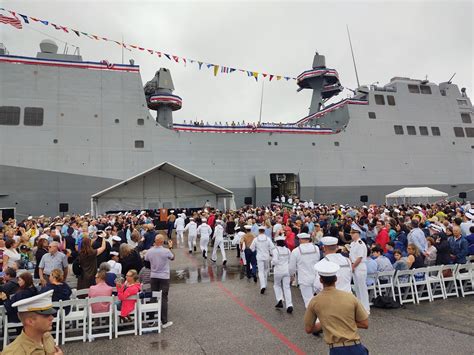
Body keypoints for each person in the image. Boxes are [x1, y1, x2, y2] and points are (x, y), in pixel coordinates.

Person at [304, 260, 369, 355]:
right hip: (356, 347)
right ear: (336, 279)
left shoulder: (315, 301)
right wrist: (345, 322)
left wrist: (327, 323)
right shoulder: (350, 297)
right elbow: (365, 323)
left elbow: (308, 329)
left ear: (321, 280)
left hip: (337, 349)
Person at [2, 290, 63, 355]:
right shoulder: (14, 352)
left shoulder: (47, 336)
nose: (52, 318)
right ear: (30, 321)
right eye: (46, 315)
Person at [144, 234, 175, 329]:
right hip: (164, 276)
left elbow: (146, 261)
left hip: (154, 275)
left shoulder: (149, 251)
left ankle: (151, 319)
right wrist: (171, 247)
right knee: (163, 297)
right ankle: (164, 321)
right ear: (162, 242)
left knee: (154, 296)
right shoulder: (166, 251)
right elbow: (172, 257)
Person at [289, 232, 320, 307]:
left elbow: (291, 267)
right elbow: (318, 260)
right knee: (319, 301)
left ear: (300, 240)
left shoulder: (296, 251)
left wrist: (291, 276)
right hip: (317, 277)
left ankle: (314, 318)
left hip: (304, 279)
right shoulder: (316, 248)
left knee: (308, 302)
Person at [349, 228, 370, 314]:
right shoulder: (352, 243)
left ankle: (365, 308)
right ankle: (359, 307)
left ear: (357, 233)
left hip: (360, 266)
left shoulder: (360, 244)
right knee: (357, 288)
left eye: (353, 233)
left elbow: (360, 257)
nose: (351, 235)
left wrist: (353, 266)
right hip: (354, 265)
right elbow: (351, 255)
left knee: (362, 288)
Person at [271, 234, 293, 313]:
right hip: (286, 270)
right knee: (286, 287)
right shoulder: (288, 250)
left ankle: (280, 299)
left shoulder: (275, 250)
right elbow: (290, 260)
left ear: (276, 242)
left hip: (278, 270)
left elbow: (275, 261)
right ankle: (289, 305)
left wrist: (272, 262)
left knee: (277, 285)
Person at [250, 225, 275, 294]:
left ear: (259, 231)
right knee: (266, 270)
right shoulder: (268, 239)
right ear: (264, 231)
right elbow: (272, 248)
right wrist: (271, 253)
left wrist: (256, 249)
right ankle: (265, 284)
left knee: (260, 271)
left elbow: (252, 249)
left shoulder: (256, 239)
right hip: (266, 256)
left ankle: (262, 285)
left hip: (259, 257)